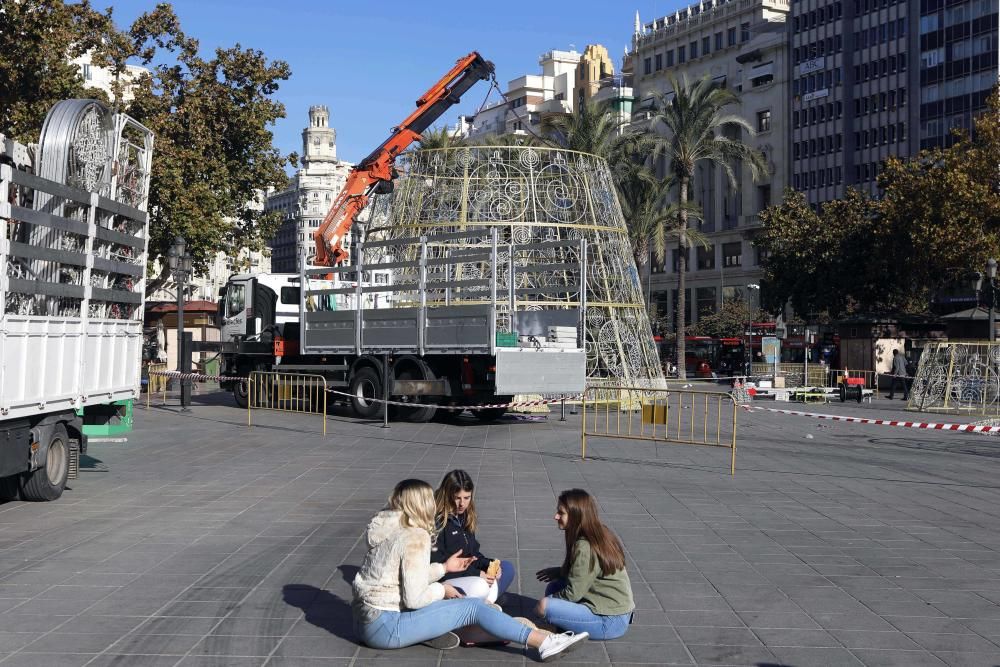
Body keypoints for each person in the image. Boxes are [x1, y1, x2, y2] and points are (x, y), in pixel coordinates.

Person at [352, 479, 589, 660]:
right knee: (473, 607)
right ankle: (544, 642)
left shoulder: (388, 526)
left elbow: (399, 578)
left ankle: (440, 630)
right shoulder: (415, 536)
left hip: (365, 621)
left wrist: (443, 567)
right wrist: (441, 590)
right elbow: (414, 598)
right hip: (387, 627)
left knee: (463, 606)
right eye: (428, 499)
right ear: (421, 504)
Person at [535, 489, 635, 641]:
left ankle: (558, 629)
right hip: (618, 613)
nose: (555, 516)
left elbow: (573, 593)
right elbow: (585, 572)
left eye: (561, 513)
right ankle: (560, 624)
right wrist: (559, 572)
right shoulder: (599, 532)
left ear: (576, 516)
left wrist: (543, 607)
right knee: (554, 587)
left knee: (544, 606)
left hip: (608, 622)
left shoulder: (585, 546)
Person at [432, 470, 515, 603]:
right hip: (446, 579)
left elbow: (473, 554)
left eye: (467, 498)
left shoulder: (465, 517)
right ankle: (484, 604)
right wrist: (477, 574)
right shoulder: (438, 522)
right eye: (457, 497)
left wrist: (488, 564)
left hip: (468, 575)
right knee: (480, 586)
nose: (462, 504)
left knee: (507, 567)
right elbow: (437, 565)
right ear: (447, 495)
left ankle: (484, 603)